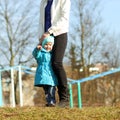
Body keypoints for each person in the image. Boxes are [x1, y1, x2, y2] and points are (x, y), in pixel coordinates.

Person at [38, 0, 71, 107]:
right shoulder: (44, 2)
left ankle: (64, 99)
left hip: (59, 33)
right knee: (47, 66)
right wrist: (40, 39)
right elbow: (41, 22)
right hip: (46, 37)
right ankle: (51, 100)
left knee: (56, 63)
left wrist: (49, 31)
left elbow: (64, 19)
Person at [32, 36, 58, 107]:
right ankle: (49, 101)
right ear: (43, 45)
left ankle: (52, 101)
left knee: (52, 89)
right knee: (46, 90)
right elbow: (35, 54)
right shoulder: (41, 53)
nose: (48, 46)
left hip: (51, 75)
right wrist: (37, 49)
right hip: (43, 74)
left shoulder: (53, 54)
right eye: (46, 44)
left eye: (50, 45)